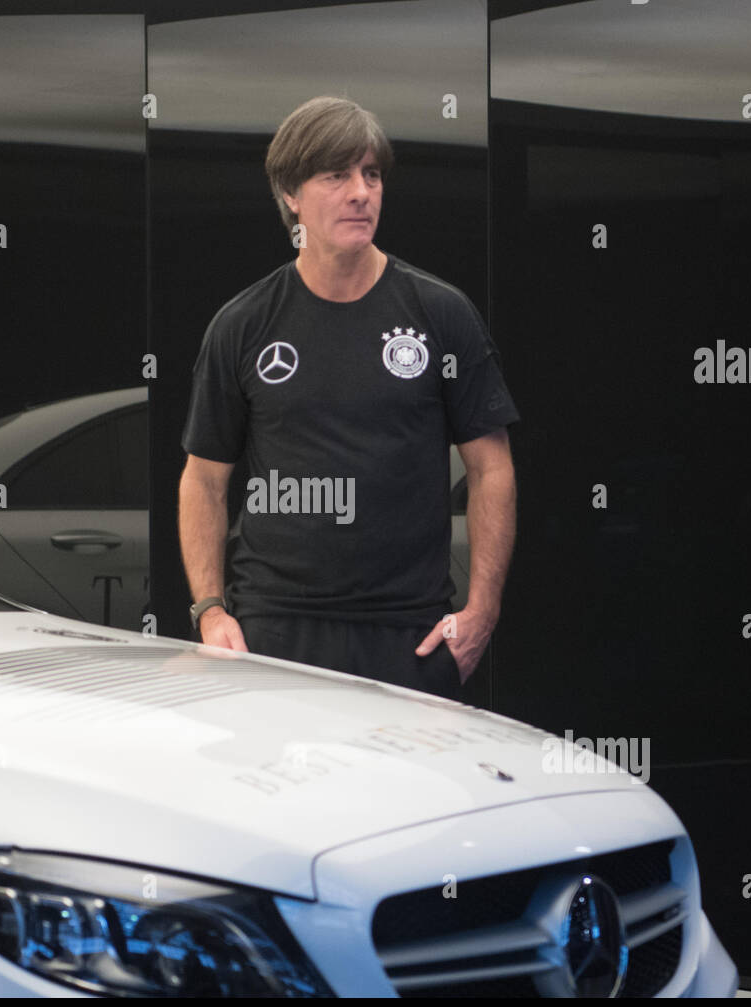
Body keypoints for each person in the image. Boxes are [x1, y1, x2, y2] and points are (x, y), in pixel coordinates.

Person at [178, 95, 517, 699]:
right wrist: (210, 610)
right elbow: (203, 479)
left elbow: (491, 468)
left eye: (372, 174)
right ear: (290, 194)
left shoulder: (440, 313)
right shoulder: (244, 324)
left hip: (407, 635)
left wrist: (482, 611)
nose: (361, 192)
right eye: (336, 175)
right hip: (274, 633)